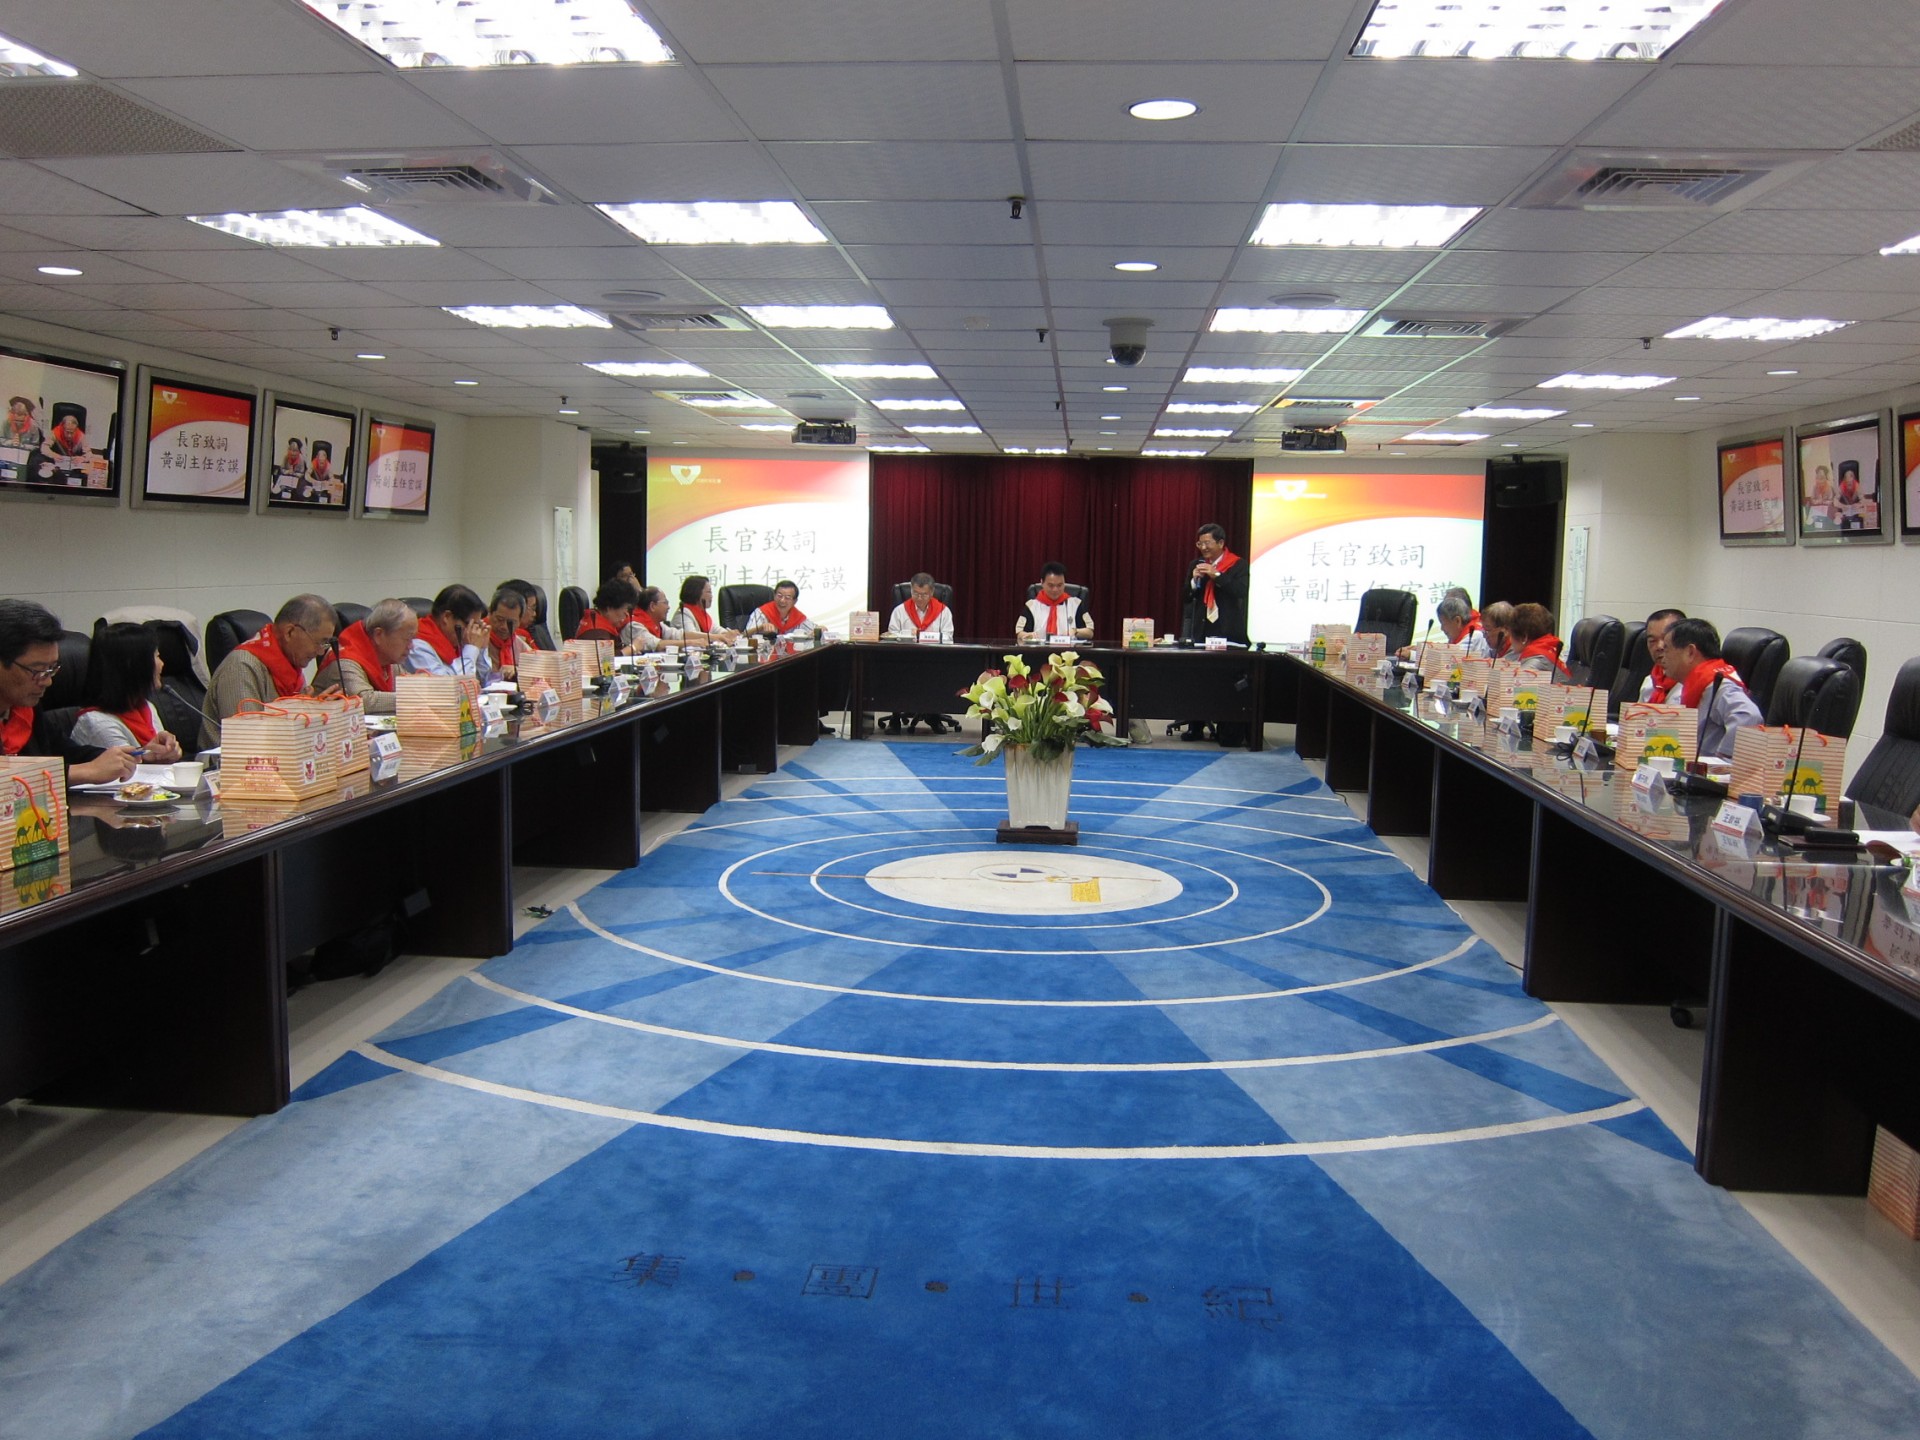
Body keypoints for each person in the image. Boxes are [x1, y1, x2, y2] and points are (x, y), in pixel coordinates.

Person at [0, 599, 138, 784]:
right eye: (37, 670)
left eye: (51, 669)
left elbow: (67, 753)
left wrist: (131, 755)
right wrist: (84, 772)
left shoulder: (23, 707)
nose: (47, 681)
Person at [199, 593, 336, 748]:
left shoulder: (290, 666)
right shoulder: (242, 666)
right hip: (228, 760)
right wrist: (301, 714)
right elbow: (247, 737)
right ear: (290, 632)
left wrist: (315, 711)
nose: (320, 652)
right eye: (319, 642)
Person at [71, 622, 185, 763]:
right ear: (135, 665)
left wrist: (168, 753)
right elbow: (126, 770)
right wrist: (154, 758)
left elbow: (157, 763)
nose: (162, 663)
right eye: (156, 656)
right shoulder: (98, 723)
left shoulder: (146, 707)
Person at [1660, 617, 1763, 757]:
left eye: (1666, 649)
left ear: (1690, 652)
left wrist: (1723, 758)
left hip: (1707, 768)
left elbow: (1749, 717)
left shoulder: (1718, 686)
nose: (1662, 657)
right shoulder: (1695, 683)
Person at [333, 599, 417, 715]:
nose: (411, 646)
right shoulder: (345, 661)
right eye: (407, 638)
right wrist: (413, 698)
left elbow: (412, 687)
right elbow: (363, 701)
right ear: (379, 635)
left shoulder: (390, 661)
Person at [1183, 523, 1248, 645]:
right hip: (1201, 629)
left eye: (1207, 543)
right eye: (1200, 544)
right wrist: (1194, 581)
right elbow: (1186, 597)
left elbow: (1241, 591)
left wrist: (1217, 575)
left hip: (1228, 629)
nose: (1203, 547)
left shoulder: (1238, 564)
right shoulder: (1196, 564)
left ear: (1221, 543)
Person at [404, 585, 488, 678]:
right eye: (469, 624)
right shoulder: (417, 645)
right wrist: (471, 649)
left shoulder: (460, 643)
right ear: (447, 617)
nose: (473, 631)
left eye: (476, 625)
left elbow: (484, 680)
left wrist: (480, 649)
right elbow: (446, 683)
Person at [1017, 563, 1094, 641]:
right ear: (1042, 583)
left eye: (1059, 585)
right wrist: (1027, 635)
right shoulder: (1032, 606)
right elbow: (1019, 632)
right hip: (1040, 648)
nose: (1055, 589)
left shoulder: (1075, 604)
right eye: (1051, 585)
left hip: (1069, 648)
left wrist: (1076, 631)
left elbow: (1090, 632)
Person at [1509, 602, 1571, 678]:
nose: (1510, 640)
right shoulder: (1548, 652)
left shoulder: (1533, 666)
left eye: (1511, 635)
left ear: (1524, 637)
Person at [1639, 607, 1688, 702]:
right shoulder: (1650, 682)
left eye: (1666, 638)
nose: (1659, 646)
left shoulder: (1697, 685)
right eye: (1652, 641)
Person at [671, 575, 738, 644]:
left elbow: (717, 630)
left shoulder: (702, 614)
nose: (711, 596)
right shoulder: (683, 613)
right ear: (696, 593)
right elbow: (691, 637)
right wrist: (719, 637)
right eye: (709, 592)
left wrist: (728, 634)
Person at [484, 587, 533, 677]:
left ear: (520, 621)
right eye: (499, 619)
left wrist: (518, 670)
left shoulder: (521, 646)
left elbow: (537, 672)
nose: (504, 627)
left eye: (511, 623)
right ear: (490, 613)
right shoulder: (478, 641)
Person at [887, 573, 952, 640]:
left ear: (932, 592)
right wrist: (910, 635)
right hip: (907, 646)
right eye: (915, 593)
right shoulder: (899, 611)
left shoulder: (944, 612)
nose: (919, 598)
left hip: (933, 647)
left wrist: (923, 636)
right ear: (911, 590)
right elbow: (892, 635)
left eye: (924, 594)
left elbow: (948, 637)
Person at [577, 578, 638, 644]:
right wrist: (633, 647)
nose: (627, 615)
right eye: (625, 609)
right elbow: (606, 651)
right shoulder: (597, 634)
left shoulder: (596, 620)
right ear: (609, 608)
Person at [745, 580, 813, 638]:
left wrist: (817, 631)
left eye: (787, 597)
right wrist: (760, 628)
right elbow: (744, 635)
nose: (782, 600)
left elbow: (814, 629)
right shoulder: (762, 612)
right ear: (774, 596)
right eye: (779, 596)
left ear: (794, 601)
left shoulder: (797, 616)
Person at [623, 586, 678, 653]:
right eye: (665, 603)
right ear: (652, 606)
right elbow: (657, 645)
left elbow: (676, 635)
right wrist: (689, 643)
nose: (668, 607)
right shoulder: (634, 625)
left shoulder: (658, 623)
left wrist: (690, 640)